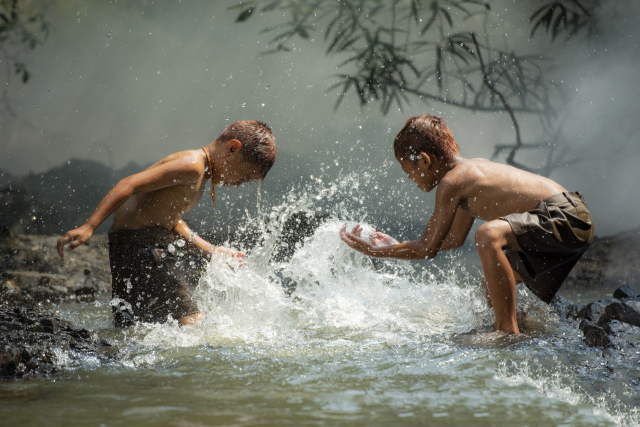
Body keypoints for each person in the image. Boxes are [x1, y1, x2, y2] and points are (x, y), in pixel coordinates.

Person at [340, 114, 593, 334]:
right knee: (490, 287)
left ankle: (507, 332)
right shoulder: (466, 176)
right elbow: (452, 239)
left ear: (424, 161)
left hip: (566, 215)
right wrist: (398, 244)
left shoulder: (453, 182)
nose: (410, 179)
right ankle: (524, 329)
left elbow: (427, 249)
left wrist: (380, 252)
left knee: (488, 234)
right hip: (571, 216)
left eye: (408, 170)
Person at [57, 120, 276, 327]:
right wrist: (89, 226)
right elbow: (129, 184)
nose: (238, 184)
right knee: (192, 320)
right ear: (232, 148)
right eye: (244, 176)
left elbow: (169, 221)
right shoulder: (192, 166)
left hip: (130, 248)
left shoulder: (199, 173)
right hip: (143, 248)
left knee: (137, 325)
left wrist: (210, 250)